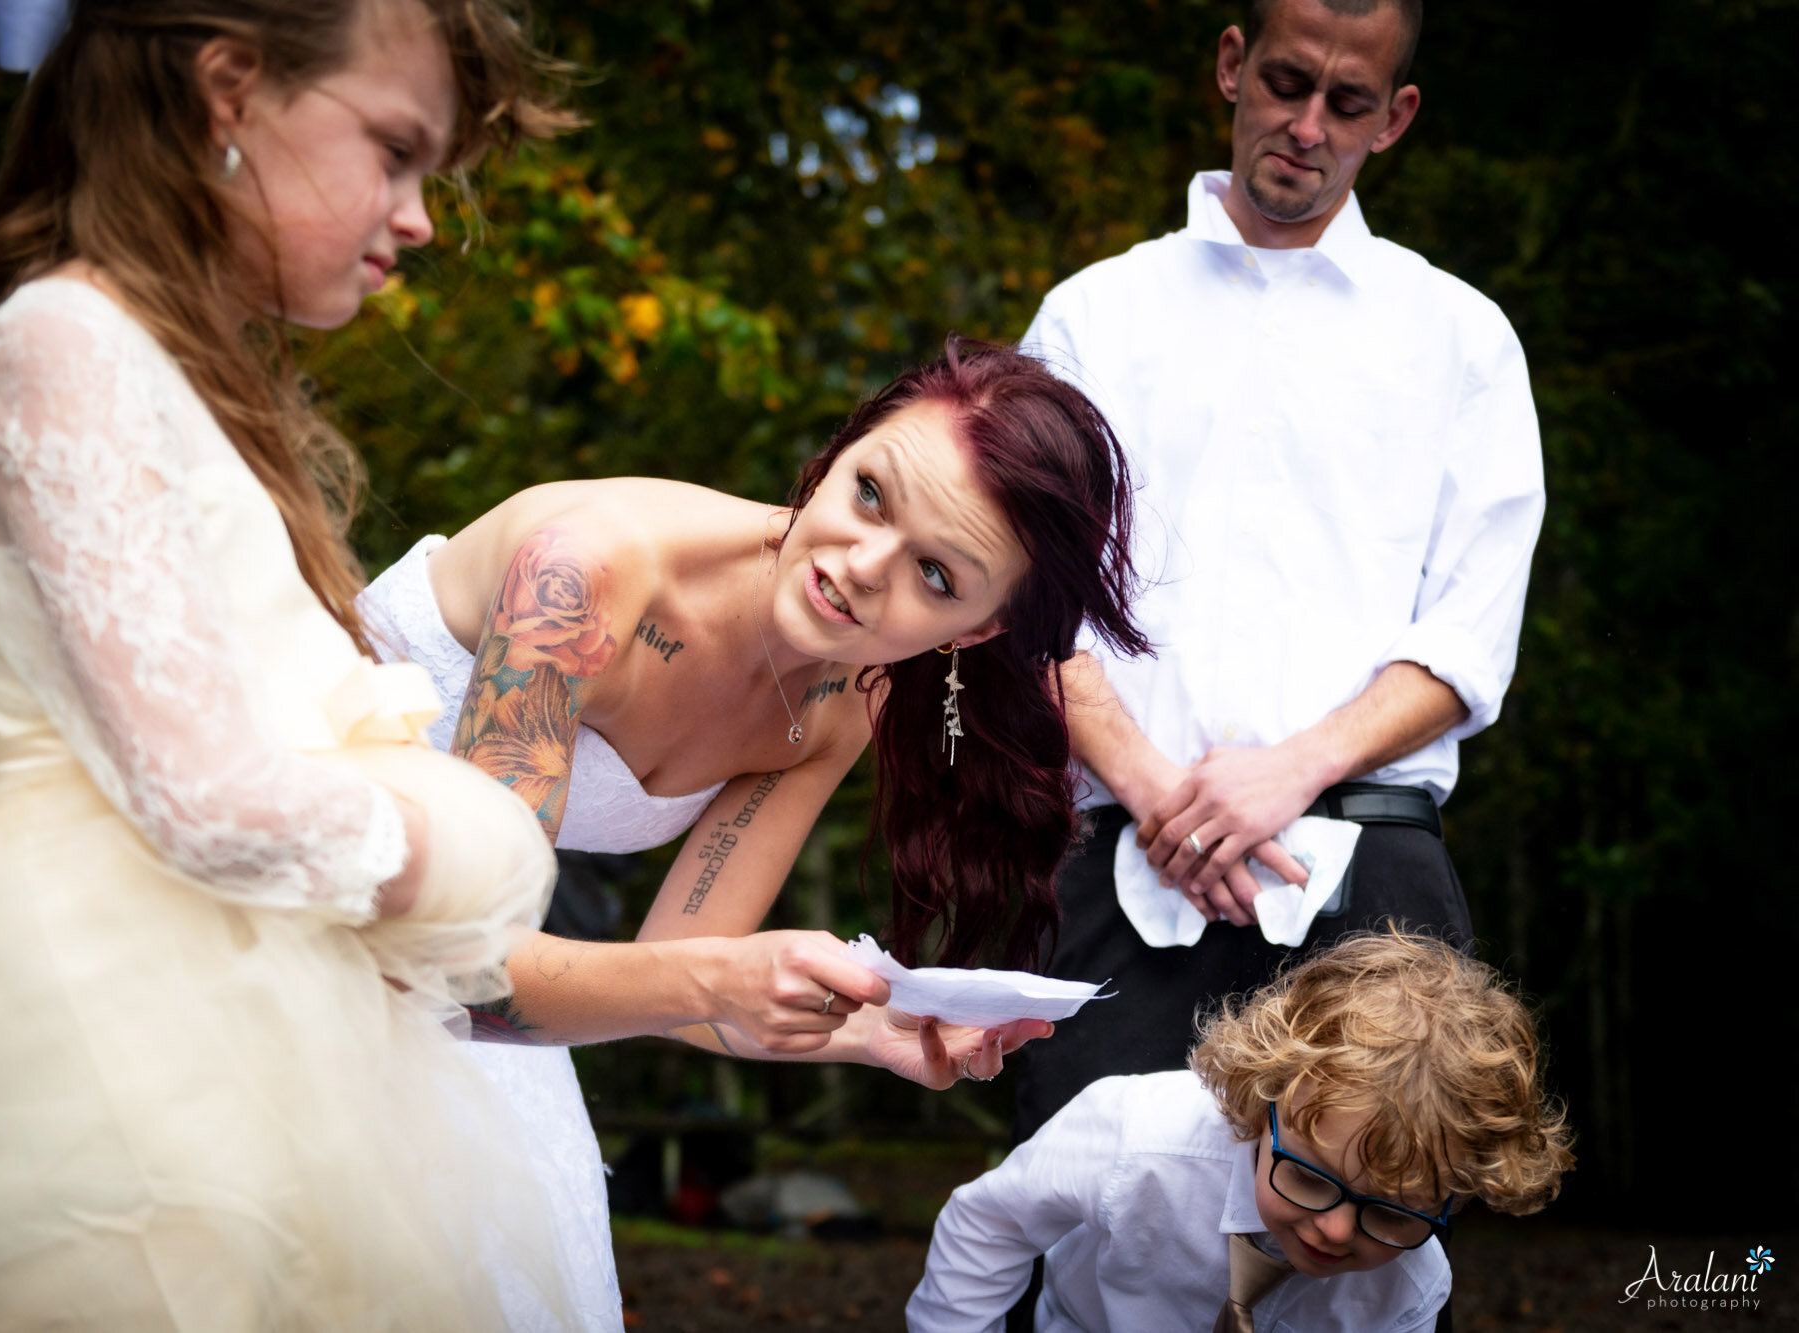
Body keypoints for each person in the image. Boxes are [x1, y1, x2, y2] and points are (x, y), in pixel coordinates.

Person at [0, 0, 588, 1326]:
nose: (419, 220)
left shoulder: (149, 368)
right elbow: (212, 803)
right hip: (113, 1033)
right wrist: (485, 848)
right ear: (229, 89)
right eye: (395, 152)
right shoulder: (56, 349)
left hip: (257, 1014)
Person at [356, 337, 1151, 1327]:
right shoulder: (584, 572)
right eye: (869, 493)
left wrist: (870, 1026)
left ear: (975, 632)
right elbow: (460, 974)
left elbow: (678, 978)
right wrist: (718, 977)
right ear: (842, 448)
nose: (861, 567)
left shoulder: (834, 705)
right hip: (293, 935)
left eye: (936, 576)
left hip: (459, 995)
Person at [1014, 0, 1547, 1142]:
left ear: (1393, 118)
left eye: (1345, 102)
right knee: (1083, 1268)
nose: (1306, 125)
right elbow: (1026, 606)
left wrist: (1285, 772)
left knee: (1365, 1279)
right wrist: (1166, 800)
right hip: (1119, 869)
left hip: (1375, 891)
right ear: (1229, 65)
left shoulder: (1460, 338)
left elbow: (1466, 639)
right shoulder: (1092, 318)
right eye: (1286, 83)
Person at [909, 930, 1575, 1332]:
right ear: (1263, 1104)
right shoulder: (1137, 1137)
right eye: (1311, 1176)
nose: (1337, 1230)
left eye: (1392, 1212)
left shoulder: (1410, 1287)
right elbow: (988, 1223)